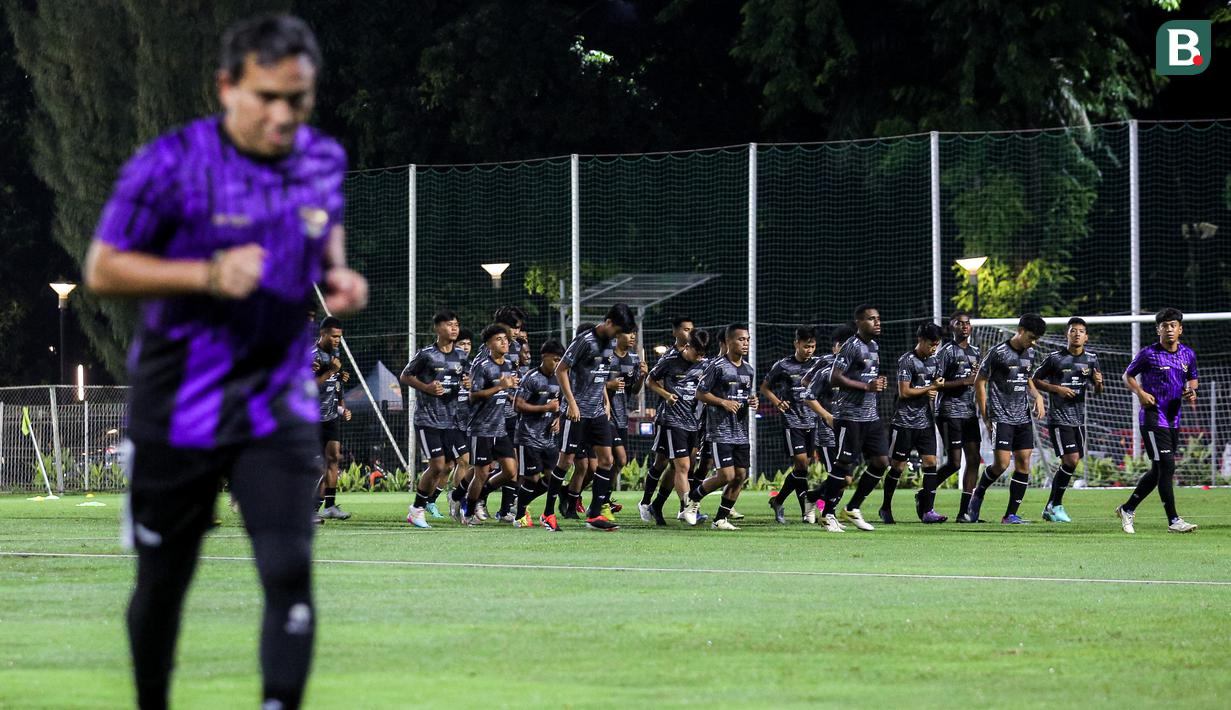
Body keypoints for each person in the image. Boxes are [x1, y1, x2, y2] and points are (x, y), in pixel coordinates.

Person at [86, 14, 367, 710]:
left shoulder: (321, 159)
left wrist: (337, 276)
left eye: (296, 99)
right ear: (226, 87)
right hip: (178, 398)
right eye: (266, 96)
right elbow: (103, 268)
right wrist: (206, 275)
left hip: (276, 398)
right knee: (163, 579)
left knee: (289, 569)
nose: (282, 115)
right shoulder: (169, 162)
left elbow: (322, 229)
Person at [805, 305, 889, 532]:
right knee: (843, 467)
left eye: (878, 318)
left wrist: (877, 384)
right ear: (859, 322)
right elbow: (834, 378)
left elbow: (865, 377)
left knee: (882, 462)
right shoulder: (851, 346)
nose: (877, 322)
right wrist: (867, 386)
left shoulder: (874, 346)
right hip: (849, 416)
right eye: (872, 319)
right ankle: (827, 514)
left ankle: (852, 507)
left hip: (870, 416)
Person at [1116, 308, 1199, 534]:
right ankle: (1173, 520)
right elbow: (1127, 375)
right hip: (1152, 417)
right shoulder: (1149, 354)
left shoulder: (1188, 354)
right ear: (1158, 329)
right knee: (1167, 466)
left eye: (1173, 325)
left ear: (1180, 329)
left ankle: (1127, 508)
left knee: (1158, 470)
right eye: (1165, 326)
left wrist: (1191, 392)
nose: (1169, 329)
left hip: (1173, 418)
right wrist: (1141, 394)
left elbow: (1192, 381)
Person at [556, 305, 637, 531]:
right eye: (620, 330)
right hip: (577, 410)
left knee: (608, 461)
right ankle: (547, 510)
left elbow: (598, 376)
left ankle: (595, 512)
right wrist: (571, 403)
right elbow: (561, 370)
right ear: (609, 323)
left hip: (598, 412)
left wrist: (606, 401)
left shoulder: (611, 344)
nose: (621, 336)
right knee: (568, 462)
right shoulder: (585, 340)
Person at [966, 314, 1047, 524]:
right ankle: (978, 493)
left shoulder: (1030, 352)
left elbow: (1026, 375)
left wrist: (1037, 395)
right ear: (1019, 330)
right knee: (1001, 464)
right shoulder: (998, 353)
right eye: (1031, 336)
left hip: (1023, 416)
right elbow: (979, 381)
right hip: (1001, 416)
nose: (1033, 342)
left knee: (1023, 464)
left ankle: (1010, 515)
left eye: (1036, 338)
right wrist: (986, 416)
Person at [1031, 317, 1103, 523]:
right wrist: (1057, 389)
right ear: (1067, 335)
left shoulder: (1091, 359)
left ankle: (1051, 506)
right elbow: (1034, 380)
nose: (1077, 334)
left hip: (1079, 420)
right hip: (1058, 419)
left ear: (1086, 336)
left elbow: (1098, 391)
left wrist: (1099, 384)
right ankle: (1055, 505)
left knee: (1073, 462)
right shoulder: (1055, 358)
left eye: (1081, 331)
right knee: (1070, 460)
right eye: (1073, 330)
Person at [401, 309, 466, 529]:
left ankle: (426, 505)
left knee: (446, 466)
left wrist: (466, 384)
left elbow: (460, 382)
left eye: (456, 324)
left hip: (451, 420)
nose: (454, 328)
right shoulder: (427, 354)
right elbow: (405, 376)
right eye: (449, 324)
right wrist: (426, 387)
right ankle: (417, 509)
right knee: (437, 465)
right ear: (437, 328)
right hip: (427, 419)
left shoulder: (461, 356)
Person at [641, 329, 712, 524]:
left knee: (675, 467)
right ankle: (687, 509)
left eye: (703, 354)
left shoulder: (705, 365)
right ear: (688, 346)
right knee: (682, 466)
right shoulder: (670, 361)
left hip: (694, 423)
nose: (700, 358)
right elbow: (650, 380)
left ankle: (656, 505)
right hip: (672, 421)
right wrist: (666, 395)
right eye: (697, 353)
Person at [760, 327, 819, 524]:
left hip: (812, 420)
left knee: (802, 468)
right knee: (801, 463)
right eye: (805, 346)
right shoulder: (783, 366)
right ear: (796, 344)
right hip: (792, 421)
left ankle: (779, 501)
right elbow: (764, 387)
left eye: (812, 346)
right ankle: (805, 509)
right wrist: (777, 402)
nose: (809, 350)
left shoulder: (818, 365)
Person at [888, 323, 945, 524]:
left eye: (936, 345)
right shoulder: (907, 360)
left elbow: (936, 386)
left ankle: (928, 510)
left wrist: (937, 387)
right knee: (898, 466)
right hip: (904, 422)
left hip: (926, 422)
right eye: (931, 344)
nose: (934, 348)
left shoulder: (935, 361)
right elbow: (904, 392)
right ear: (920, 340)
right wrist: (929, 388)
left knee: (931, 463)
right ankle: (886, 508)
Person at [464, 324, 520, 525]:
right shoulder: (482, 365)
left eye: (505, 339)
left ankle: (481, 494)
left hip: (500, 427)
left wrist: (512, 391)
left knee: (511, 471)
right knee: (481, 473)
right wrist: (500, 387)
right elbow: (473, 396)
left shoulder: (507, 365)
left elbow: (505, 393)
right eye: (499, 339)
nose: (504, 342)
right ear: (488, 344)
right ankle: (468, 512)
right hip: (481, 428)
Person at [933, 311, 983, 522]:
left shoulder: (976, 352)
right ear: (951, 327)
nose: (964, 326)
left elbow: (978, 381)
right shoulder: (945, 352)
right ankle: (925, 492)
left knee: (973, 460)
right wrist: (964, 382)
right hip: (949, 411)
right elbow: (936, 382)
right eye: (959, 323)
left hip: (969, 413)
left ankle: (964, 512)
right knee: (954, 463)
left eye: (967, 323)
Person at [801, 325, 851, 532]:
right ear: (835, 347)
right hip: (828, 429)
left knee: (845, 478)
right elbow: (806, 383)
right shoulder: (826, 364)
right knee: (839, 477)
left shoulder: (855, 366)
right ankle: (828, 515)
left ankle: (812, 497)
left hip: (849, 428)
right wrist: (826, 412)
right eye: (844, 346)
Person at [514, 340, 565, 530]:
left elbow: (560, 404)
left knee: (553, 478)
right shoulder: (532, 378)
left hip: (549, 438)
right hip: (528, 436)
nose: (559, 363)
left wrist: (558, 418)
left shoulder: (560, 377)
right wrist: (545, 408)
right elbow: (517, 405)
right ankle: (519, 515)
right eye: (555, 359)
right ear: (544, 357)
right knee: (532, 478)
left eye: (561, 360)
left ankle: (534, 509)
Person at [312, 317, 351, 521]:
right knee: (316, 465)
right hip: (312, 417)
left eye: (340, 337)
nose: (337, 340)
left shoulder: (335, 354)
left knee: (334, 457)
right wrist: (331, 371)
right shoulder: (312, 356)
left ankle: (330, 506)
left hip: (330, 416)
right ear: (323, 334)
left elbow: (336, 384)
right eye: (334, 336)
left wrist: (342, 406)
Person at [606, 330, 647, 516]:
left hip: (623, 416)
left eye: (634, 334)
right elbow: (593, 382)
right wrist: (609, 385)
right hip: (605, 417)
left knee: (616, 463)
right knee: (619, 459)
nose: (632, 337)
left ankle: (603, 499)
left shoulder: (633, 359)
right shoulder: (606, 357)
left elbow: (635, 391)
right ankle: (600, 501)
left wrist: (641, 377)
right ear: (617, 335)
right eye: (628, 333)